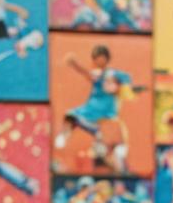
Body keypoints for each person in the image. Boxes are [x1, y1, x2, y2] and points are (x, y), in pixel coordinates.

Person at [55, 44, 142, 173]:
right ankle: (64, 135)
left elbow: (127, 86)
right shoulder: (97, 75)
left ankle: (120, 168)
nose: (98, 62)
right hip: (91, 113)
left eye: (100, 58)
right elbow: (88, 74)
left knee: (111, 151)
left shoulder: (117, 76)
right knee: (70, 116)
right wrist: (74, 64)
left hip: (106, 117)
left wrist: (121, 88)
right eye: (96, 59)